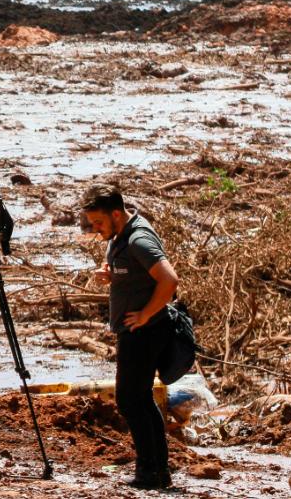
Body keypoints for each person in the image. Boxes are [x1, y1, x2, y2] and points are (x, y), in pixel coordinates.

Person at [81, 183, 179, 490]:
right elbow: (132, 271)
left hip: (145, 331)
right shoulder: (120, 235)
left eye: (98, 223)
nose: (95, 229)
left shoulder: (138, 239)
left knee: (129, 399)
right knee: (138, 399)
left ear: (115, 214)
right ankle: (155, 470)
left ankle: (151, 470)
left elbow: (169, 280)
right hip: (135, 330)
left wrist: (146, 314)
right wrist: (110, 275)